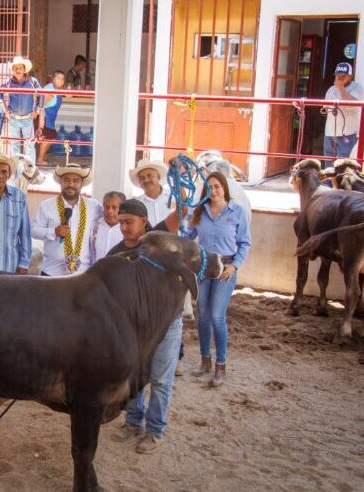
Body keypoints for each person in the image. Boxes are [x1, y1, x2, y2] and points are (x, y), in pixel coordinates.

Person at [109, 198, 184, 454]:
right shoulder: (116, 254)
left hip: (166, 322)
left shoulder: (159, 241)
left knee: (161, 380)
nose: (124, 228)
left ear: (144, 221)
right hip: (135, 326)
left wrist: (184, 197)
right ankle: (132, 422)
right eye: (120, 223)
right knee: (135, 376)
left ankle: (154, 431)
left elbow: (180, 214)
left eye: (129, 222)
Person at [185, 172, 251, 387]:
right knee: (202, 314)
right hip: (204, 267)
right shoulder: (199, 212)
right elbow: (188, 236)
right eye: (210, 187)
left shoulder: (236, 212)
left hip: (225, 268)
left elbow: (245, 243)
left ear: (224, 188)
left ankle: (220, 366)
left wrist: (234, 266)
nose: (213, 191)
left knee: (216, 315)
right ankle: (205, 361)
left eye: (217, 187)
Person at [31, 164, 102, 276]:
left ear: (82, 184)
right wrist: (53, 232)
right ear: (60, 182)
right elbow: (34, 231)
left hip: (83, 274)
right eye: (66, 180)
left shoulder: (94, 206)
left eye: (75, 181)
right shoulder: (46, 205)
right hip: (51, 272)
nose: (71, 184)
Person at [0, 56, 43, 162]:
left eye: (20, 68)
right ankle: (16, 168)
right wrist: (5, 109)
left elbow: (42, 94)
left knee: (30, 144)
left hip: (28, 118)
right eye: (15, 68)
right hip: (13, 118)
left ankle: (31, 170)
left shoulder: (32, 82)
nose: (18, 70)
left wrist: (37, 110)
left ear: (24, 69)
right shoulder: (8, 82)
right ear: (13, 70)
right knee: (15, 144)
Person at [322, 62, 364, 161]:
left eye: (343, 76)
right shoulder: (331, 89)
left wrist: (340, 87)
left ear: (350, 76)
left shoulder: (357, 87)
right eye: (337, 75)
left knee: (343, 166)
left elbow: (352, 104)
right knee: (328, 167)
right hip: (330, 133)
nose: (339, 78)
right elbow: (326, 108)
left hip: (347, 134)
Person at [130, 157, 173, 228]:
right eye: (142, 178)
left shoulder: (173, 197)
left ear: (158, 177)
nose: (146, 180)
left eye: (149, 175)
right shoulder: (136, 204)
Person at [36, 70, 66, 165]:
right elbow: (41, 105)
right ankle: (40, 159)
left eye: (62, 79)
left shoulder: (56, 90)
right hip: (44, 118)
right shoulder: (50, 89)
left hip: (50, 119)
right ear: (53, 79)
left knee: (51, 137)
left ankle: (42, 156)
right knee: (47, 138)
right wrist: (41, 122)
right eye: (58, 78)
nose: (60, 81)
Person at [91, 191, 125, 262]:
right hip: (95, 271)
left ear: (122, 209)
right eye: (106, 207)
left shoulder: (126, 229)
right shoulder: (93, 226)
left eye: (114, 207)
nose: (109, 211)